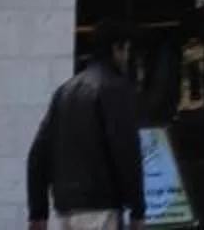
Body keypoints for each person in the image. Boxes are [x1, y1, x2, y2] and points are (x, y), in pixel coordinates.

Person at [26, 22, 147, 230]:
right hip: (101, 206)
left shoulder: (64, 92)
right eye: (126, 50)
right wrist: (138, 209)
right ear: (116, 49)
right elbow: (126, 151)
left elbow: (38, 154)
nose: (126, 58)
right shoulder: (114, 89)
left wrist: (38, 212)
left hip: (66, 209)